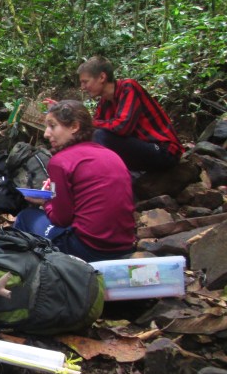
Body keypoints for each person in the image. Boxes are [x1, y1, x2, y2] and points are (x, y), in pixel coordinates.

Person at [14, 100, 136, 262]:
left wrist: (46, 201)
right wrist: (56, 195)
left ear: (74, 127)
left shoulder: (60, 162)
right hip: (124, 246)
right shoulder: (111, 154)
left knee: (25, 217)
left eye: (52, 126)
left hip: (88, 249)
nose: (46, 133)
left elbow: (61, 219)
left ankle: (33, 272)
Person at [77, 56, 183, 171]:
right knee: (92, 137)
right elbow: (92, 128)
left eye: (85, 82)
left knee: (100, 135)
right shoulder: (105, 101)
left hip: (164, 151)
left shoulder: (128, 87)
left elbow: (122, 127)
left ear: (102, 77)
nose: (83, 87)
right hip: (141, 150)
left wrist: (90, 123)